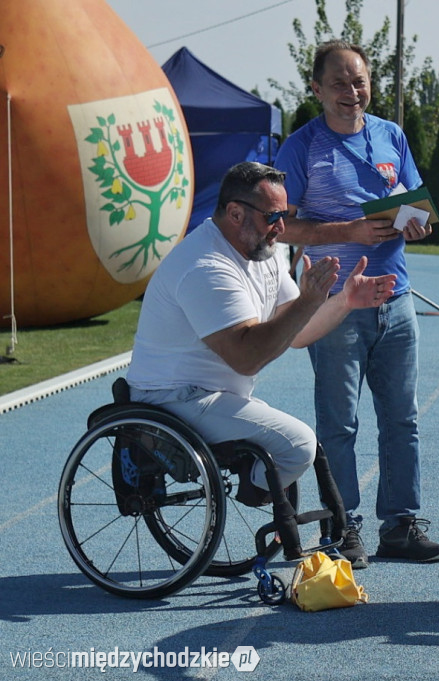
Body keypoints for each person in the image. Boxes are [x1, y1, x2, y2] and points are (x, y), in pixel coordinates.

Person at [125, 162, 396, 506]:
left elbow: (297, 332)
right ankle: (254, 494)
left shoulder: (260, 251)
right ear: (235, 213)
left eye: (284, 214)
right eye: (272, 217)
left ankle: (271, 502)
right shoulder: (206, 266)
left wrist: (344, 301)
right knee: (299, 444)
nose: (281, 227)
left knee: (296, 444)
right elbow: (247, 357)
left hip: (210, 394)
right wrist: (309, 300)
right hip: (172, 399)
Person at [274, 40, 439, 566]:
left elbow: (417, 203)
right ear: (317, 90)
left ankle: (400, 525)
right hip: (336, 304)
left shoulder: (390, 134)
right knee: (339, 422)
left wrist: (416, 222)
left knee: (402, 418)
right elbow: (281, 224)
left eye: (360, 82)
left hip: (395, 297)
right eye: (340, 84)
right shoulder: (302, 147)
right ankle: (342, 526)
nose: (353, 93)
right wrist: (348, 229)